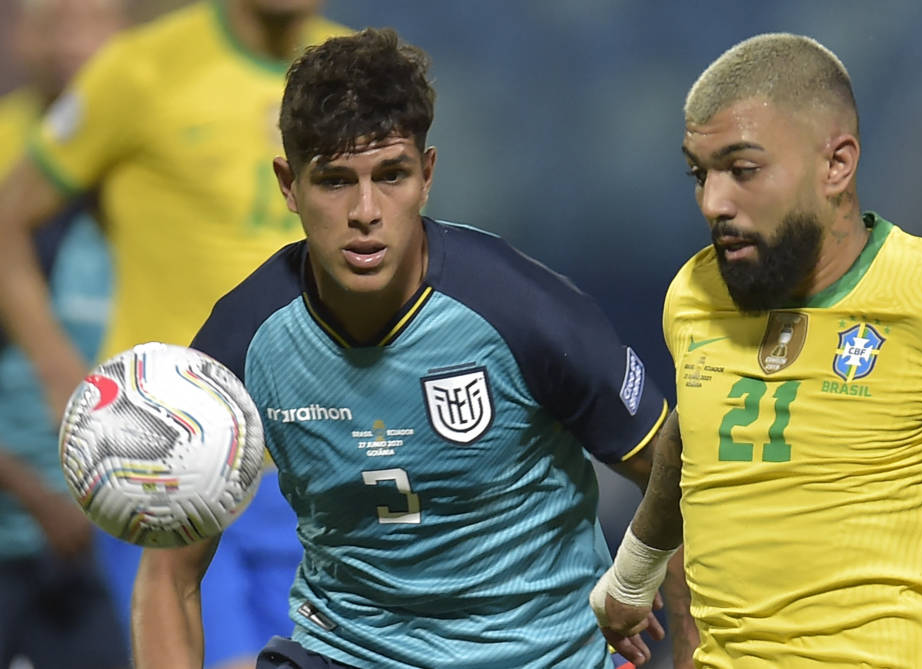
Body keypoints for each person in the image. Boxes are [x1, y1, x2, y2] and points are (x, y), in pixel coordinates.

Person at [130, 27, 690, 669]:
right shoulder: (241, 342)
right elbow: (168, 574)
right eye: (335, 181)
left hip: (539, 656)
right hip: (344, 652)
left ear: (426, 176)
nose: (365, 211)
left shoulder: (527, 314)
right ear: (288, 184)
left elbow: (682, 479)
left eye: (391, 175)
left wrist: (651, 598)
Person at [590, 31, 922, 668]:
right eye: (699, 174)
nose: (714, 203)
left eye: (743, 170)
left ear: (836, 166)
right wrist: (633, 574)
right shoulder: (695, 294)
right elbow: (697, 433)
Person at [0, 2, 349, 668]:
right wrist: (57, 369)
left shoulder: (354, 69)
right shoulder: (140, 71)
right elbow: (8, 219)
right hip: (169, 456)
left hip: (315, 456)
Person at [0, 1, 127, 667]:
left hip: (122, 522)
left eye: (96, 20)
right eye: (58, 22)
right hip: (24, 525)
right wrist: (37, 494)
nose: (76, 42)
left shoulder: (148, 181)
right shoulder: (13, 174)